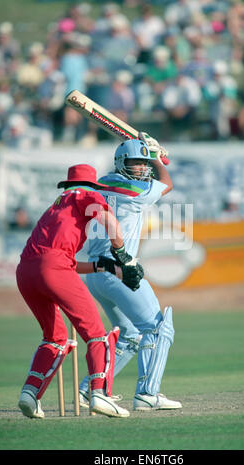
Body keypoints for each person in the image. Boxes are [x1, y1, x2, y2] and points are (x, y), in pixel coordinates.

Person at [17, 163, 144, 419]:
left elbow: (61, 262)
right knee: (97, 333)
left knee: (55, 337)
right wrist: (124, 256)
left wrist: (104, 266)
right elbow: (108, 219)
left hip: (26, 271)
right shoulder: (86, 194)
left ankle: (29, 394)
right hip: (54, 269)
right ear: (91, 185)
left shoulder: (56, 206)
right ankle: (99, 394)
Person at [78, 135, 183, 411]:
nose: (141, 167)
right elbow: (167, 184)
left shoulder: (101, 183)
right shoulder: (135, 191)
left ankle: (90, 390)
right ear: (123, 163)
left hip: (95, 273)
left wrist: (151, 155)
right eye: (136, 162)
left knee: (131, 336)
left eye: (142, 162)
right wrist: (158, 157)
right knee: (159, 328)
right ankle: (148, 393)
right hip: (119, 270)